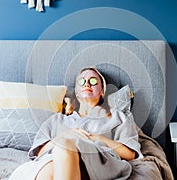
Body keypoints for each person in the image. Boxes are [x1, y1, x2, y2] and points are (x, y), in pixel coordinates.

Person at [9, 67, 142, 180]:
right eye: (82, 81)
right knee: (49, 167)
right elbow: (39, 153)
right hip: (53, 160)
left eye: (93, 81)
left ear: (102, 91)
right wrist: (65, 135)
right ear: (77, 92)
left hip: (98, 161)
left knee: (65, 146)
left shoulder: (117, 117)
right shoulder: (57, 120)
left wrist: (94, 137)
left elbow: (129, 154)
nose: (87, 84)